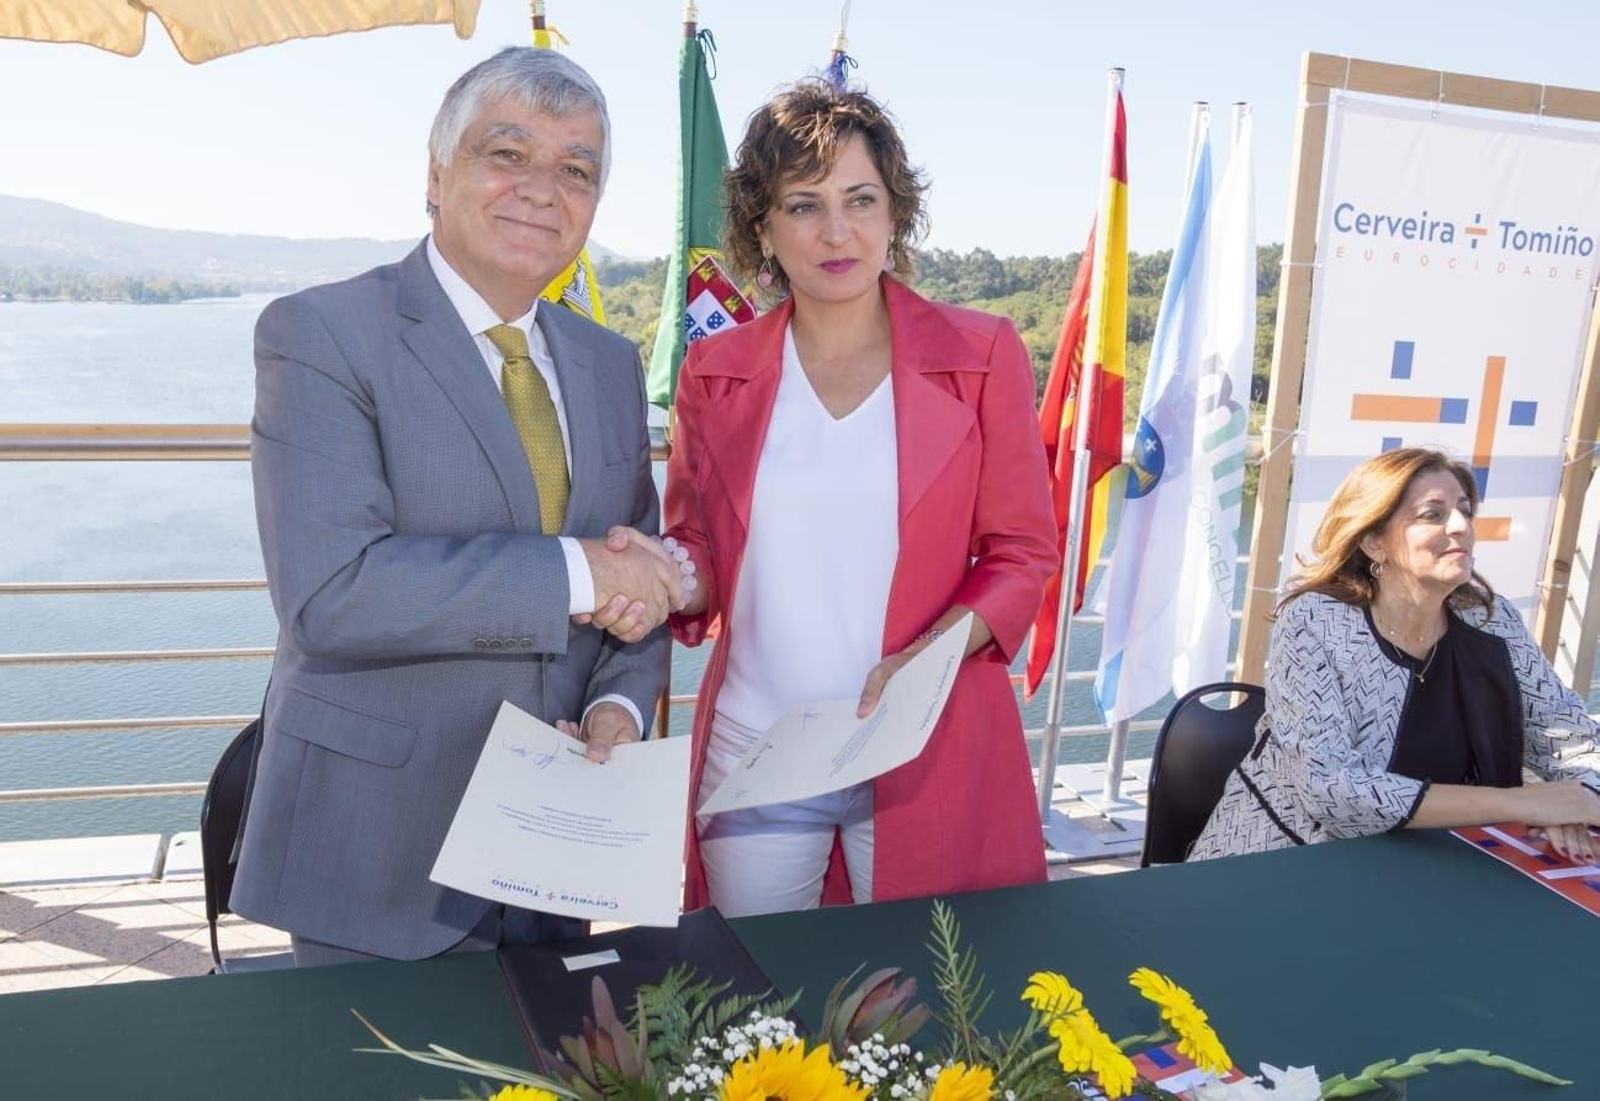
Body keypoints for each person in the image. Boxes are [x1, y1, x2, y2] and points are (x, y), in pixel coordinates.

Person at [233, 48, 681, 965]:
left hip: (557, 849)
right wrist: (581, 569)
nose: (541, 189)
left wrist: (620, 713)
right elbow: (332, 591)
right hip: (377, 853)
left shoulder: (609, 364)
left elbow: (638, 572)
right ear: (436, 176)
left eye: (576, 170)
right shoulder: (318, 333)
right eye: (505, 154)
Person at [653, 81, 1057, 917]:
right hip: (758, 746)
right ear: (762, 228)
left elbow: (1022, 552)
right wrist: (658, 573)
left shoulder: (982, 353)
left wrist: (928, 655)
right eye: (803, 205)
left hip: (921, 739)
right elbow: (696, 550)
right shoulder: (714, 371)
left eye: (859, 199)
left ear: (894, 212)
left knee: (921, 1012)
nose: (836, 231)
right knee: (756, 1012)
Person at [1190, 447, 1600, 863]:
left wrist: (1577, 800)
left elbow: (1574, 738)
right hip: (1289, 861)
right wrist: (1524, 803)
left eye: (1464, 509)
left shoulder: (1491, 620)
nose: (1461, 525)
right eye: (1432, 514)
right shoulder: (1315, 622)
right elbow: (1331, 789)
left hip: (1450, 861)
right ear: (1373, 542)